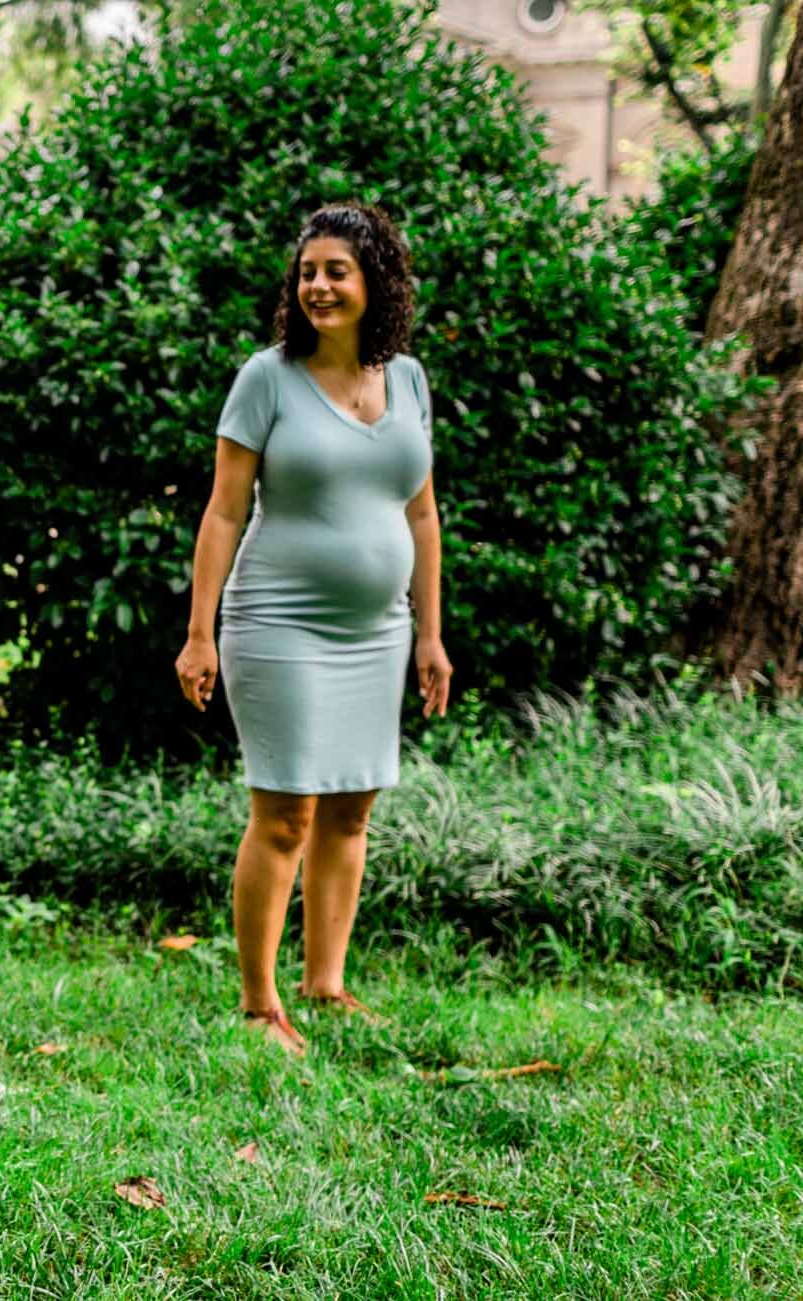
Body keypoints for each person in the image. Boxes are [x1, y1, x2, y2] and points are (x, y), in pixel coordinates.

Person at [173, 202, 453, 1058]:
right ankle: (260, 1004)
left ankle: (324, 982)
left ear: (376, 282)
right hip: (279, 623)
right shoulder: (268, 377)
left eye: (337, 270)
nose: (319, 287)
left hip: (379, 629)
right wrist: (200, 632)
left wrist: (430, 635)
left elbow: (422, 512)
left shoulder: (406, 379)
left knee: (352, 809)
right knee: (287, 811)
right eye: (308, 273)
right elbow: (223, 513)